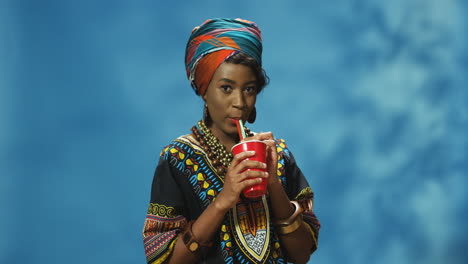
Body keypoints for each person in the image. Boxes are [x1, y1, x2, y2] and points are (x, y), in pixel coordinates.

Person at [142, 18, 320, 264]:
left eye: (249, 89)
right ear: (204, 90)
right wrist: (222, 202)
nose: (239, 102)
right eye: (226, 88)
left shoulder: (277, 154)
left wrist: (274, 185)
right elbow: (166, 261)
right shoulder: (177, 159)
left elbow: (302, 254)